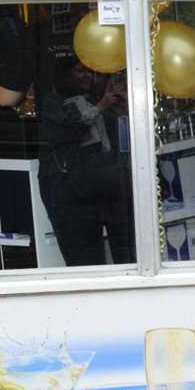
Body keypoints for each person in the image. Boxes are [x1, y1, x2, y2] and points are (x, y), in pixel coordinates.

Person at [37, 56, 135, 266]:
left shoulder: (93, 100)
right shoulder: (53, 103)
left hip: (109, 184)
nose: (88, 77)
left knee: (128, 254)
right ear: (65, 76)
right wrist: (101, 105)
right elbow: (72, 128)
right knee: (85, 258)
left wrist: (124, 109)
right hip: (73, 190)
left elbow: (124, 138)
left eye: (91, 72)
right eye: (81, 72)